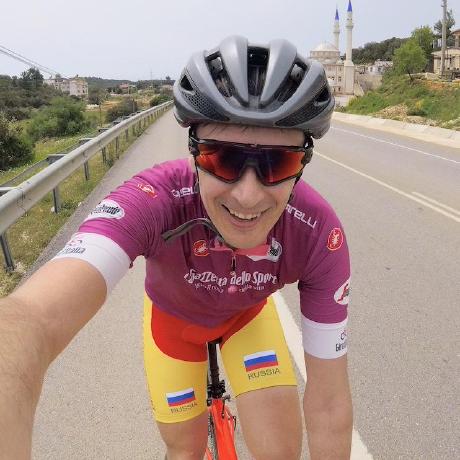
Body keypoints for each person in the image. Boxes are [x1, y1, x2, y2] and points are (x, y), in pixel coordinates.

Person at [0, 36, 352, 460]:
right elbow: (32, 319)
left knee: (279, 451)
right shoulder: (155, 199)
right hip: (174, 328)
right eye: (222, 159)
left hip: (246, 319)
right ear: (193, 152)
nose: (247, 195)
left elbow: (329, 403)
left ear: (303, 164)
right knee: (185, 451)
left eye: (279, 163)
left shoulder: (317, 231)